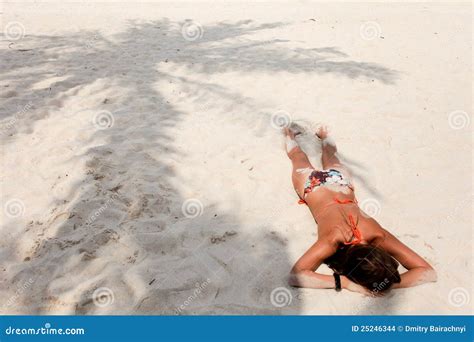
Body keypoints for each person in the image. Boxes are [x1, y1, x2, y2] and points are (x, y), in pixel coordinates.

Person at [284, 125, 436, 295]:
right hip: (317, 187)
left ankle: (308, 135)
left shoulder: (376, 235)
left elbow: (428, 272)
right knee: (313, 157)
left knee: (306, 157)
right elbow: (295, 276)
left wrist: (384, 283)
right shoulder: (333, 240)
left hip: (336, 184)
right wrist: (348, 283)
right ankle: (311, 135)